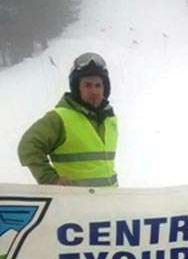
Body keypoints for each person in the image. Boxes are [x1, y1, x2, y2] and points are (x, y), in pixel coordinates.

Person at [18, 52, 118, 187]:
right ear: (77, 88)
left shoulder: (109, 119)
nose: (94, 91)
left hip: (110, 201)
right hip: (74, 203)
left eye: (98, 85)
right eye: (87, 85)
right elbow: (28, 146)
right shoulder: (60, 118)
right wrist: (50, 180)